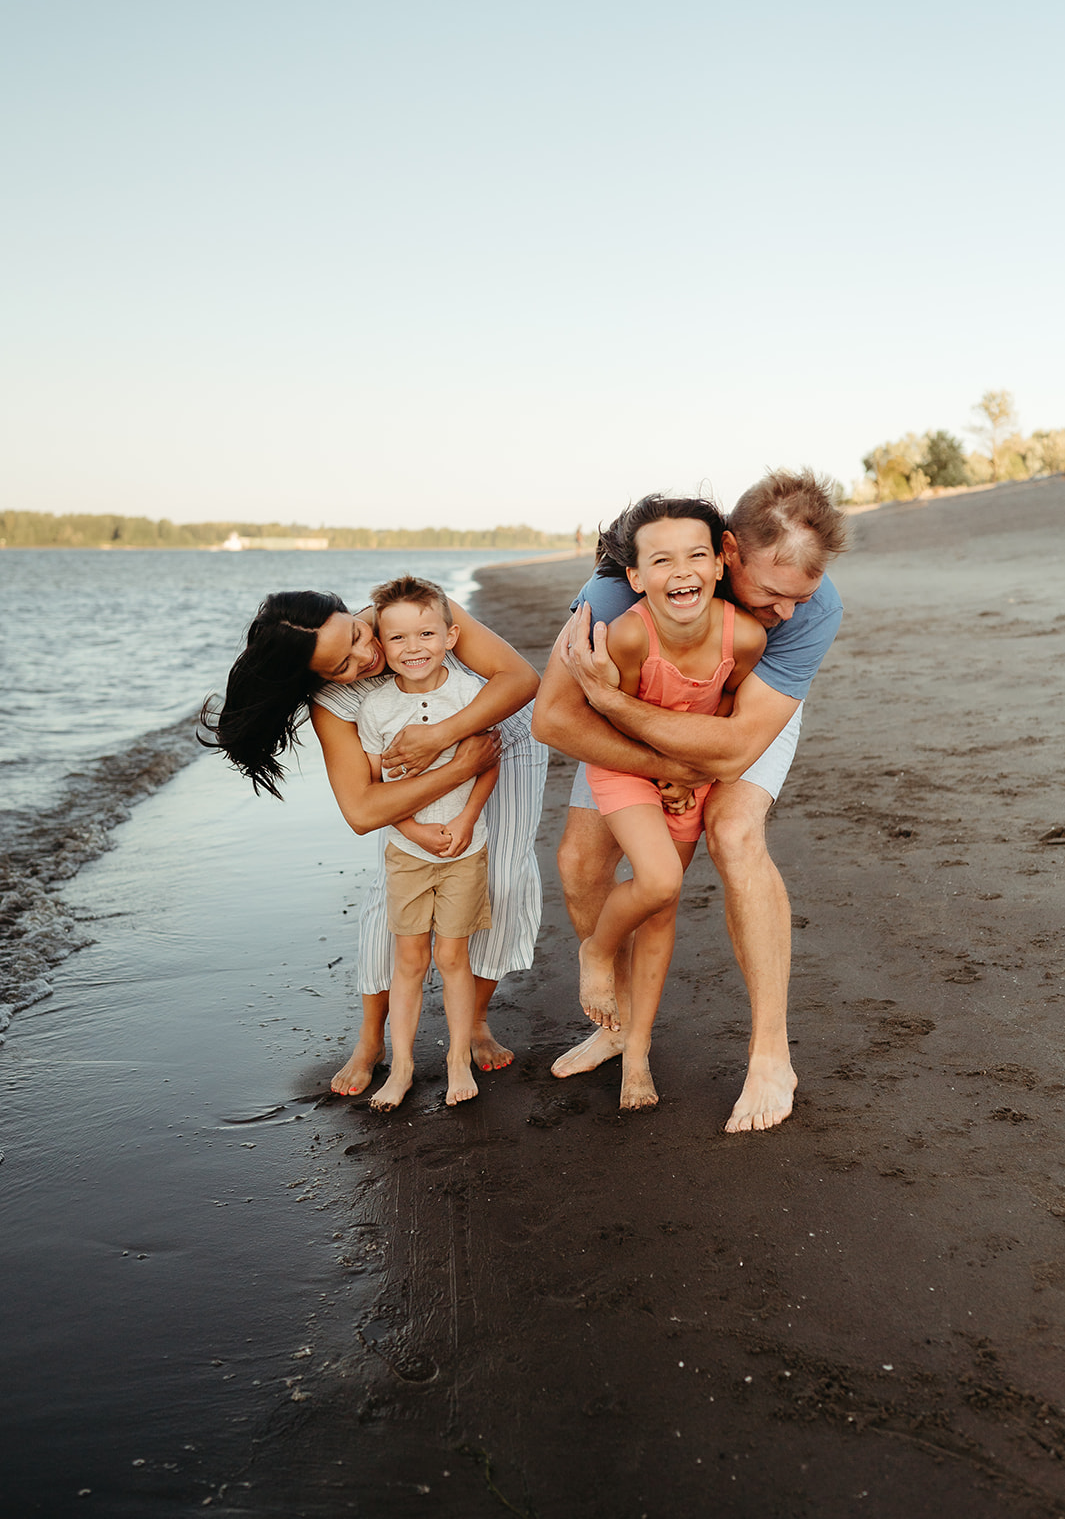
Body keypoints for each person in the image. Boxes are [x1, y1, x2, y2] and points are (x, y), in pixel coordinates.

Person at [531, 469, 847, 1133]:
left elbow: (733, 748)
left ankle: (770, 1057)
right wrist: (656, 760)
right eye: (770, 591)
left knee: (733, 835)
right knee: (580, 863)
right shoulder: (617, 592)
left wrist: (628, 716)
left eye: (802, 595)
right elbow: (556, 719)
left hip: (744, 709)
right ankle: (616, 1023)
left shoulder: (807, 609)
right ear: (728, 552)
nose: (787, 609)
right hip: (641, 709)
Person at [201, 586, 546, 1095]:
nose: (368, 655)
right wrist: (457, 768)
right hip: (428, 779)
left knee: (504, 882)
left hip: (497, 741)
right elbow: (362, 811)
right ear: (316, 677)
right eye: (341, 664)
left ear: (353, 613)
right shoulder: (334, 703)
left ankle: (473, 1019)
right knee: (390, 906)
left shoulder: (412, 613)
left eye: (359, 634)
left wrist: (444, 737)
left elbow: (521, 679)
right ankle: (371, 1040)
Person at [570, 495, 766, 1111]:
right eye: (660, 560)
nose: (679, 571)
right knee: (655, 880)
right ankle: (597, 951)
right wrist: (663, 774)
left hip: (695, 770)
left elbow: (733, 714)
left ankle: (636, 1053)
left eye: (694, 556)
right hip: (628, 767)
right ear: (635, 576)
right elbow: (616, 726)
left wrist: (693, 773)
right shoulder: (627, 635)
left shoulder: (748, 636)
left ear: (718, 566)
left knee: (662, 906)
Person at [356, 576, 500, 1111]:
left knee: (454, 957)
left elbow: (487, 764)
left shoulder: (469, 697)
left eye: (425, 634)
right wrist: (413, 831)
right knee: (410, 959)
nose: (412, 648)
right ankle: (403, 1067)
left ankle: (457, 1059)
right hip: (407, 853)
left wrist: (466, 820)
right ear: (381, 645)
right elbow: (376, 789)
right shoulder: (376, 709)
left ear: (451, 635)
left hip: (468, 845)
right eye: (397, 639)